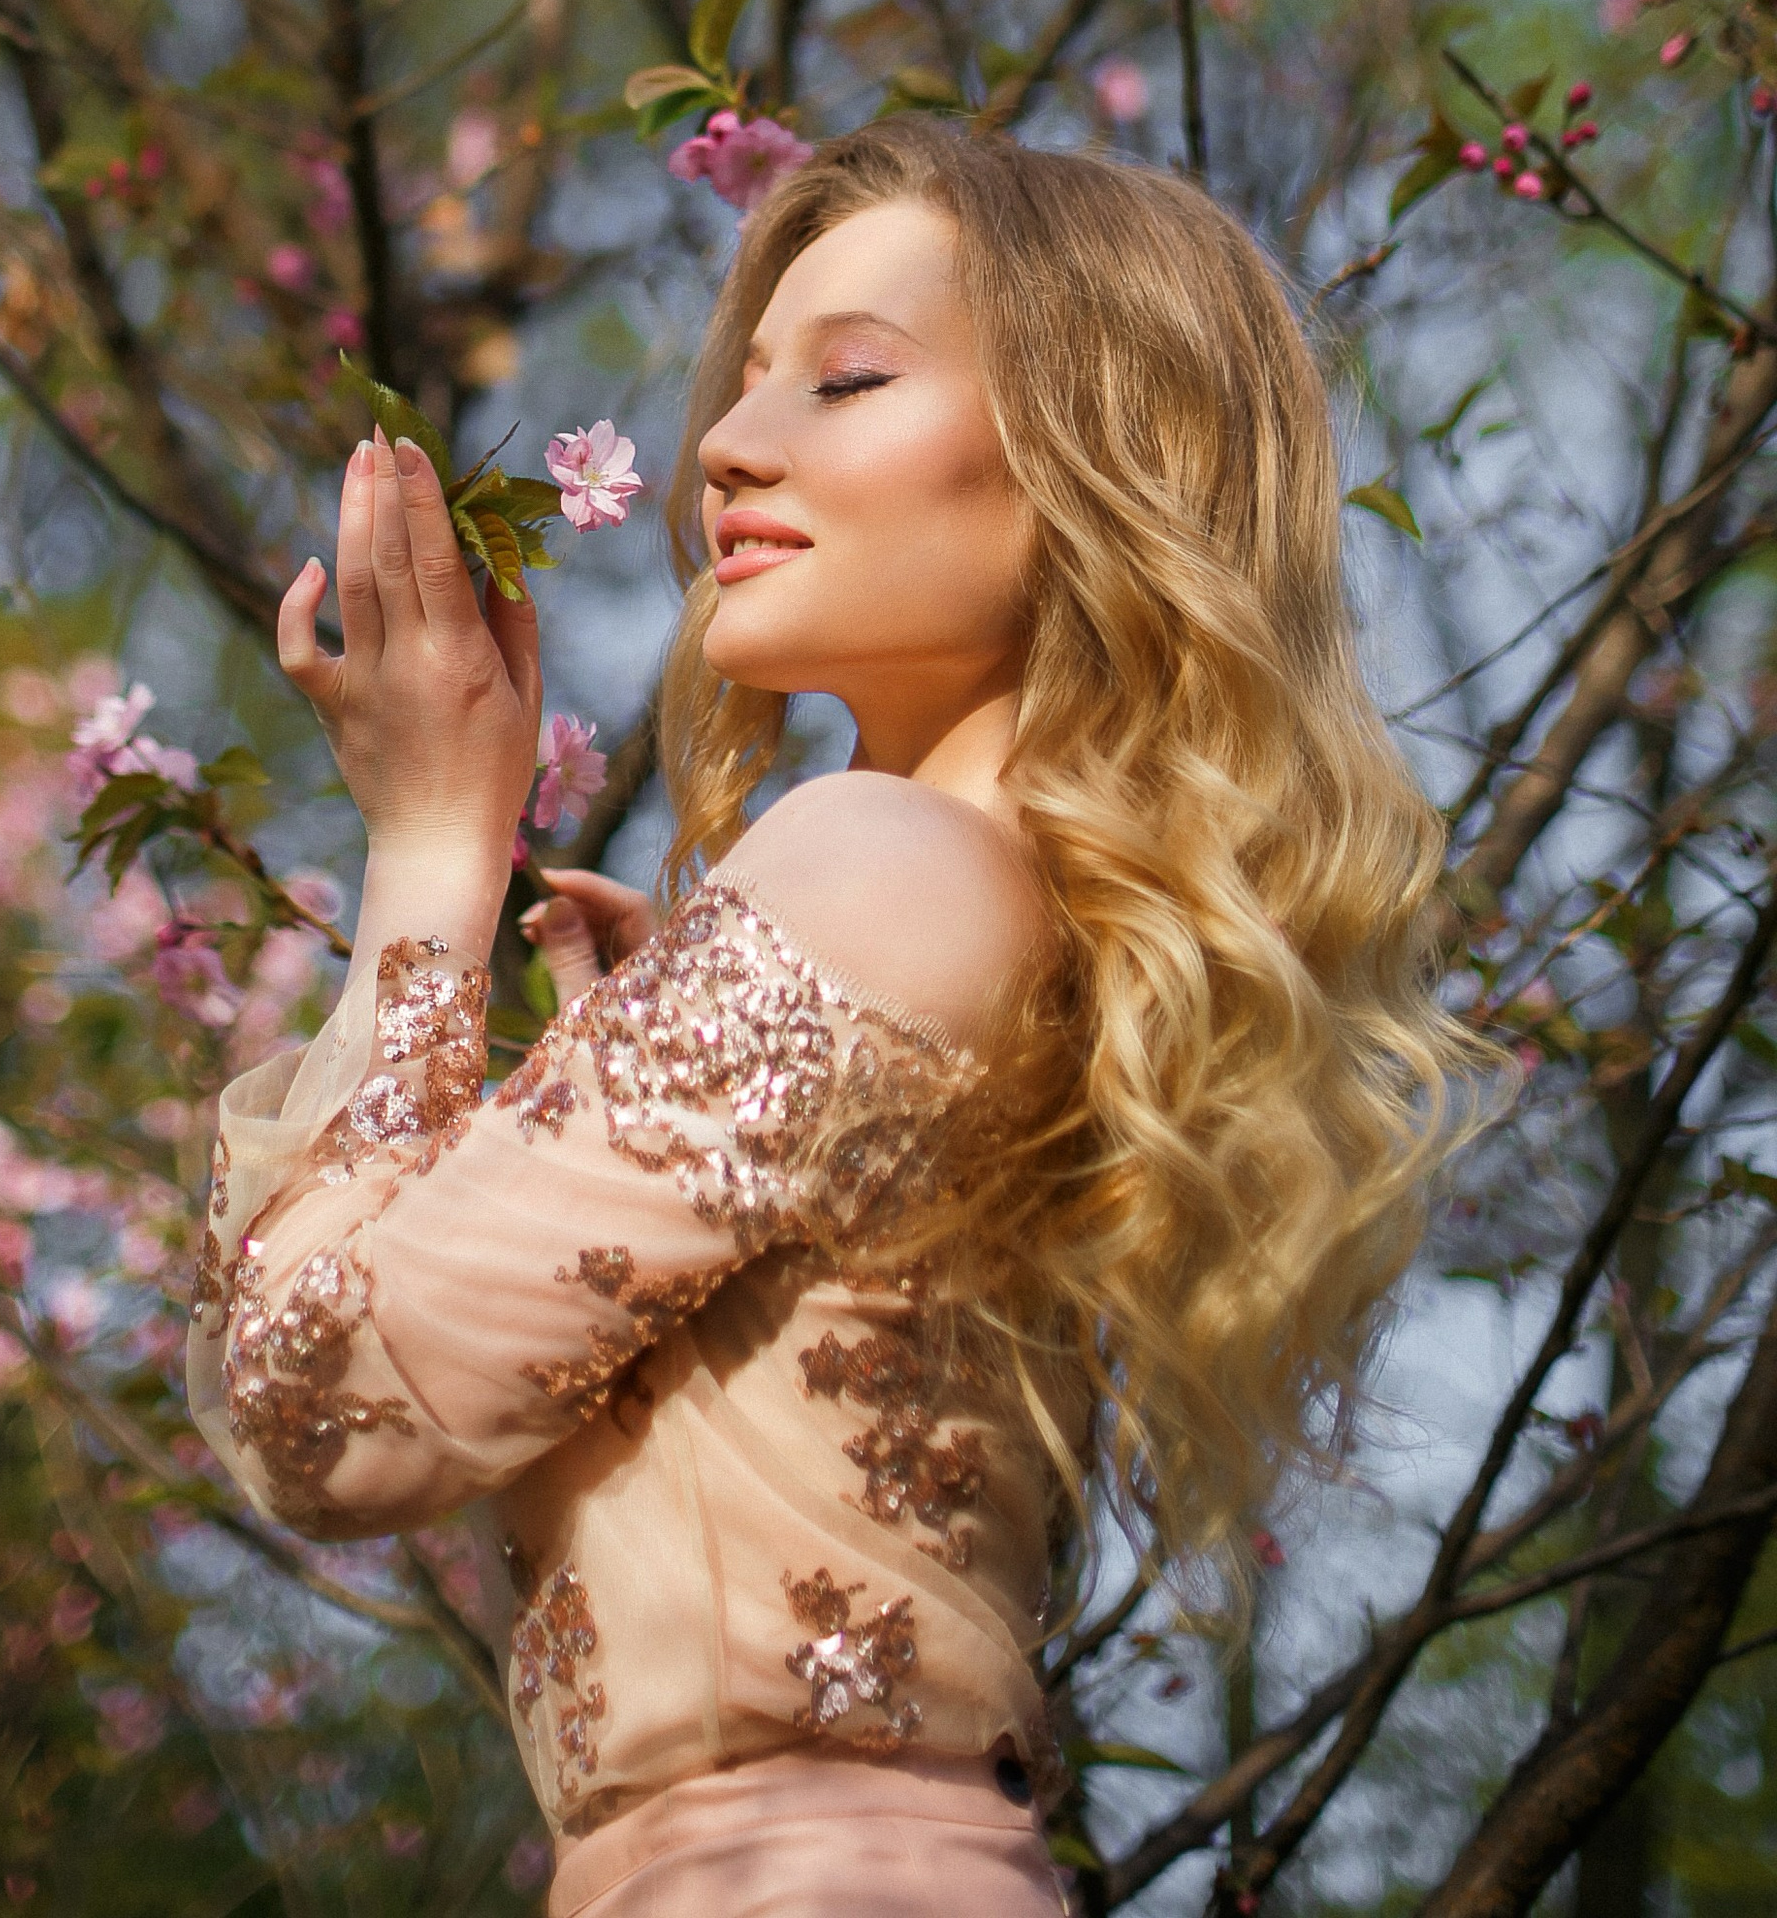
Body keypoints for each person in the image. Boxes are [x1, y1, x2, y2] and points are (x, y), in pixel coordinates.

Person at [187, 120, 1474, 1915]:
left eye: (850, 379)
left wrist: (427, 845)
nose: (726, 442)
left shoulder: (873, 866)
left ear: (1105, 455)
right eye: (749, 381)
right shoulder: (1025, 925)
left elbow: (320, 1410)